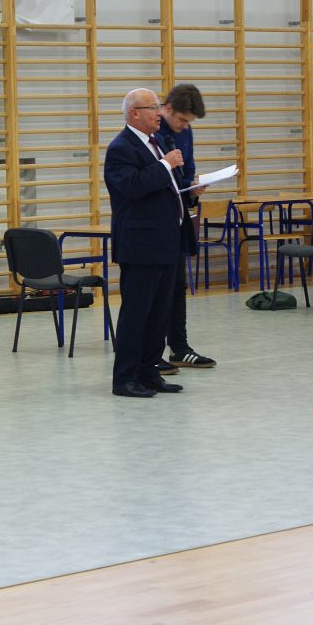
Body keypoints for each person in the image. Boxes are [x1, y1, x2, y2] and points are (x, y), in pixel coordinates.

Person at [104, 88, 185, 398]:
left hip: (165, 241)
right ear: (134, 113)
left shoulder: (158, 142)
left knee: (159, 315)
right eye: (153, 107)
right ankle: (124, 378)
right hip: (139, 244)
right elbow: (132, 187)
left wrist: (188, 189)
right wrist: (165, 166)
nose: (159, 113)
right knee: (136, 314)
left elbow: (163, 188)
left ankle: (149, 373)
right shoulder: (121, 148)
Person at [155, 84, 217, 374]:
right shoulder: (153, 134)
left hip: (178, 217)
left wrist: (193, 188)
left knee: (177, 286)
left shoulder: (185, 131)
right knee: (156, 290)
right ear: (167, 109)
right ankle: (152, 353)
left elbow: (186, 171)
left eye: (189, 122)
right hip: (155, 222)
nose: (184, 127)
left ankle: (179, 347)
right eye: (181, 120)